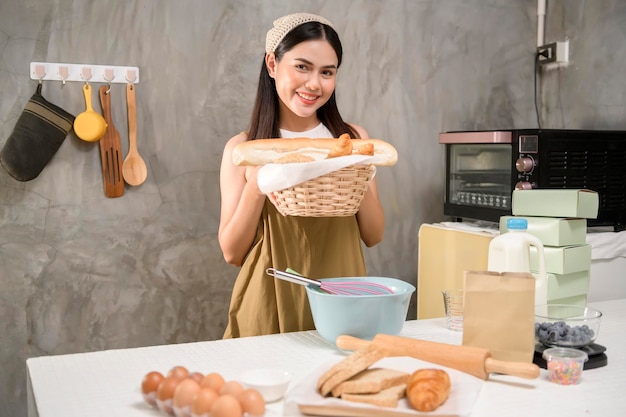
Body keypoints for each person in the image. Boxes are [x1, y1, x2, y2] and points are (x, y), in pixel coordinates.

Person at [218, 12, 385, 338]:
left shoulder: (353, 137)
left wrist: (352, 165)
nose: (314, 84)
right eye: (302, 66)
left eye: (327, 72)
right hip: (271, 299)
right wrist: (257, 185)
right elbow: (232, 253)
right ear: (272, 64)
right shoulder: (244, 148)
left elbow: (374, 234)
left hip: (342, 297)